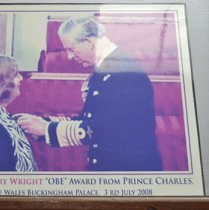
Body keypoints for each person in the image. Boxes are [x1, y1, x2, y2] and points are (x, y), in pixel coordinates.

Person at [16, 16, 162, 171]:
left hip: (128, 172)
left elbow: (105, 129)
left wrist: (47, 129)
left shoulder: (123, 73)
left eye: (71, 49)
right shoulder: (109, 67)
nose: (69, 56)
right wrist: (43, 122)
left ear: (89, 42)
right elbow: (90, 118)